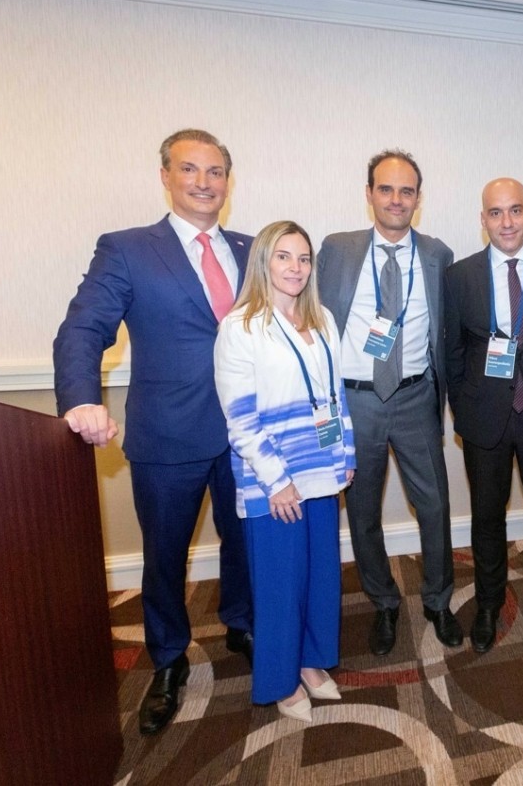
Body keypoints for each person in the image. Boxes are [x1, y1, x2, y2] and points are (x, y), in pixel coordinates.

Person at [53, 129, 254, 736]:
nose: (204, 182)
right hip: (167, 435)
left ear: (228, 181)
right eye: (190, 169)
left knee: (246, 541)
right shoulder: (127, 249)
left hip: (248, 433)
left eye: (215, 171)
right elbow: (83, 329)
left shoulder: (253, 250)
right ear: (165, 176)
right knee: (165, 556)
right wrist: (82, 398)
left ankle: (243, 624)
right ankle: (168, 657)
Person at [315, 149, 458, 655]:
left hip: (416, 396)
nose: (396, 199)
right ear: (369, 193)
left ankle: (439, 600)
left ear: (418, 198)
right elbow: (310, 315)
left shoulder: (438, 254)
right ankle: (383, 601)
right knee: (362, 510)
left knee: (434, 504)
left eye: (406, 191)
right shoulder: (337, 249)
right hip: (356, 402)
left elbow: (455, 317)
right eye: (386, 189)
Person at [213, 221, 354, 721]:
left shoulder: (322, 318)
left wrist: (346, 455)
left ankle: (312, 661)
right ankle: (280, 679)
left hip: (322, 471)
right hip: (274, 481)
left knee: (319, 575)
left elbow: (335, 396)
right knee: (280, 584)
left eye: (303, 258)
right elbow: (240, 418)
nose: (296, 268)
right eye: (283, 257)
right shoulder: (240, 327)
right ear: (263, 262)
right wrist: (277, 481)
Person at [444, 178, 523, 655]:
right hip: (486, 420)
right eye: (496, 213)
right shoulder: (460, 276)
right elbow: (453, 352)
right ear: (483, 219)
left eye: (515, 210)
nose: (506, 222)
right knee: (486, 519)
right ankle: (488, 604)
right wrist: (464, 409)